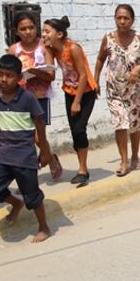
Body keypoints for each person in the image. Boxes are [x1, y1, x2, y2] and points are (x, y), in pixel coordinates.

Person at [0, 54, 52, 243]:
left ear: (19, 77)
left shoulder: (28, 99)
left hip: (24, 156)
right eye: (0, 74)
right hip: (1, 154)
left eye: (9, 75)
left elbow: (40, 125)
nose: (4, 79)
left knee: (33, 195)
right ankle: (16, 203)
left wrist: (45, 151)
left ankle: (44, 226)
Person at [93, 4, 140, 176]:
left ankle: (135, 155)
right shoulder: (108, 38)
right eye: (119, 18)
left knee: (134, 124)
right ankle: (124, 161)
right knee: (120, 123)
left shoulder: (139, 38)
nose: (122, 21)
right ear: (115, 19)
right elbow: (100, 59)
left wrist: (139, 68)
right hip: (115, 90)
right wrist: (95, 79)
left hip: (136, 90)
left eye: (126, 18)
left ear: (132, 20)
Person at [43, 16, 97, 187]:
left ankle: (83, 170)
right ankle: (82, 168)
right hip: (69, 91)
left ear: (59, 34)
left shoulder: (73, 48)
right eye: (43, 31)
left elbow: (82, 75)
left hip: (85, 92)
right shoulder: (52, 49)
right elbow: (50, 68)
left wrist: (77, 101)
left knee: (80, 129)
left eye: (47, 31)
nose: (44, 34)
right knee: (74, 131)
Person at [8, 13, 62, 180]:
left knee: (38, 135)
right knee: (25, 137)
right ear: (16, 31)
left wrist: (35, 71)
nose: (28, 31)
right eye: (23, 29)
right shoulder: (13, 50)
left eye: (31, 27)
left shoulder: (44, 47)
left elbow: (51, 75)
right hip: (19, 98)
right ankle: (43, 164)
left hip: (40, 97)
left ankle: (48, 158)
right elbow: (8, 73)